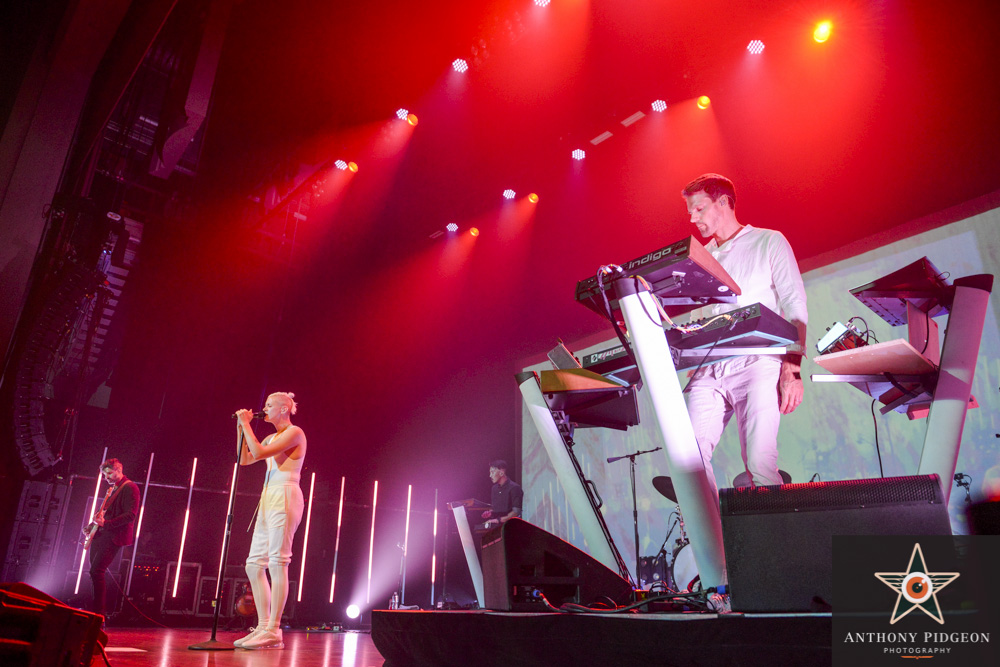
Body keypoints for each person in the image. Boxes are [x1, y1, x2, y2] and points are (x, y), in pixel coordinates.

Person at [680, 174, 808, 498]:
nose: (692, 218)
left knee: (759, 462)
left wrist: (792, 369)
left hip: (757, 362)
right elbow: (697, 319)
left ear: (723, 202)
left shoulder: (769, 241)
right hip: (710, 367)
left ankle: (775, 544)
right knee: (687, 460)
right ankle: (714, 541)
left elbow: (795, 305)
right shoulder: (700, 257)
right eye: (689, 211)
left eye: (699, 209)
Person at [233, 392, 307, 650]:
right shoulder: (269, 436)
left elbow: (260, 451)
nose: (263, 409)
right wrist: (241, 429)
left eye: (269, 405)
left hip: (285, 494)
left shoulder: (295, 432)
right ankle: (263, 627)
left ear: (284, 408)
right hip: (267, 497)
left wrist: (245, 424)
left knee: (277, 562)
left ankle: (274, 629)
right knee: (254, 565)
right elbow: (245, 459)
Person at [87, 458, 141, 623]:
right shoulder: (114, 488)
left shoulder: (130, 487)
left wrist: (107, 524)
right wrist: (91, 527)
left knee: (96, 572)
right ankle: (97, 614)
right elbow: (105, 512)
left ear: (119, 469)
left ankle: (99, 616)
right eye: (105, 474)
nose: (106, 477)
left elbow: (130, 515)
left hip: (113, 536)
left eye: (109, 473)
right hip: (102, 534)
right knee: (95, 573)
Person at [481, 460, 523, 528]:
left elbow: (516, 512)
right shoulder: (494, 488)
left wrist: (497, 520)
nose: (490, 475)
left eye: (492, 472)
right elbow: (498, 509)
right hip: (497, 527)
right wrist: (491, 513)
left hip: (512, 527)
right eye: (490, 472)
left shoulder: (514, 488)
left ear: (501, 472)